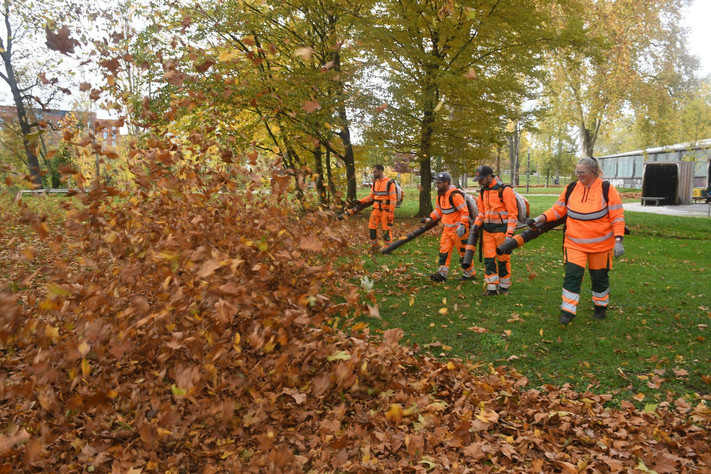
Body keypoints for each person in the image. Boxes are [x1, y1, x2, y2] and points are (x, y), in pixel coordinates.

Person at [529, 157, 625, 325]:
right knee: (572, 276)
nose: (579, 175)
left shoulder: (607, 189)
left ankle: (600, 307)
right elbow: (558, 210)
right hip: (574, 244)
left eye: (582, 172)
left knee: (599, 277)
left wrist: (618, 240)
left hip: (601, 246)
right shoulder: (571, 188)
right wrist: (540, 218)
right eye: (577, 172)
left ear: (593, 172)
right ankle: (567, 312)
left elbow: (617, 217)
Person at [473, 165, 519, 296]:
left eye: (481, 179)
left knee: (503, 259)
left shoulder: (505, 190)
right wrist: (477, 224)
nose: (480, 182)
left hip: (501, 232)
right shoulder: (483, 192)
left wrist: (509, 234)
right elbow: (481, 212)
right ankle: (491, 288)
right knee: (489, 259)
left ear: (489, 176)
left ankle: (504, 286)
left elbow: (512, 214)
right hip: (487, 231)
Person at [423, 172, 476, 282]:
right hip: (447, 230)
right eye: (436, 183)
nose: (437, 185)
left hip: (458, 230)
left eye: (439, 183)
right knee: (444, 251)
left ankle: (470, 273)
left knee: (463, 252)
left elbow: (464, 212)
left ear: (447, 183)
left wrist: (462, 225)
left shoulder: (455, 195)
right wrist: (430, 218)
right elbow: (439, 211)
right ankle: (442, 273)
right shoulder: (440, 195)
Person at [352, 164, 397, 252]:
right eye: (373, 171)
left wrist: (391, 212)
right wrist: (361, 201)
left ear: (381, 171)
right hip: (376, 209)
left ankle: (388, 248)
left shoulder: (389, 183)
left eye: (375, 171)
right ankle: (375, 246)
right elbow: (371, 197)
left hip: (386, 210)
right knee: (371, 227)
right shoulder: (375, 182)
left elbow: (393, 198)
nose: (373, 173)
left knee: (386, 230)